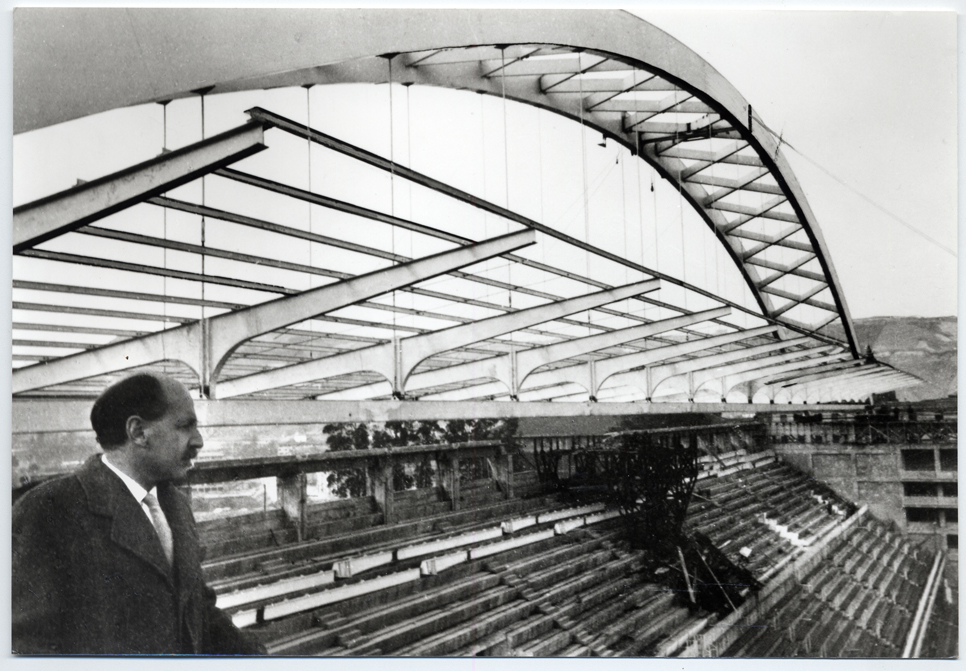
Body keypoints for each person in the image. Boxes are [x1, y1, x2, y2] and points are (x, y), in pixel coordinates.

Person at [12, 372, 266, 655]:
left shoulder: (176, 506)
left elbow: (197, 611)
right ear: (138, 432)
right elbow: (29, 645)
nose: (198, 441)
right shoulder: (50, 510)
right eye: (185, 426)